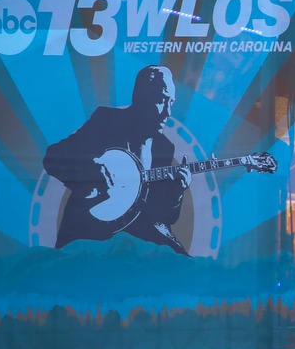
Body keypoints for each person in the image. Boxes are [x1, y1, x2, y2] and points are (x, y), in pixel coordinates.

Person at [43, 65, 196, 251]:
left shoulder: (164, 147)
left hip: (135, 232)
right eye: (162, 100)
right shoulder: (107, 121)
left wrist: (176, 192)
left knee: (179, 259)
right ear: (142, 97)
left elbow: (164, 217)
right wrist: (94, 171)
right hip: (92, 226)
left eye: (171, 102)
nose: (168, 112)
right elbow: (54, 157)